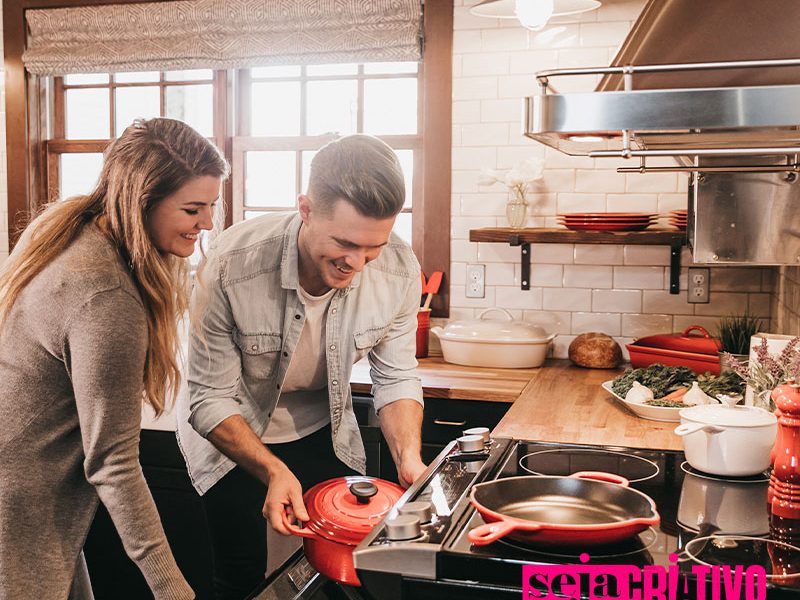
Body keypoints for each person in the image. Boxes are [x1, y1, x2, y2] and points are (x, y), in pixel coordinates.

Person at [176, 134, 426, 599]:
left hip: (323, 427)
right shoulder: (232, 264)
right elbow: (209, 397)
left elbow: (394, 375)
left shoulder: (398, 268)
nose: (358, 262)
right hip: (231, 430)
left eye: (373, 246)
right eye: (345, 243)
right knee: (242, 572)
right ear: (306, 209)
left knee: (341, 567)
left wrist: (408, 458)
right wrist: (272, 470)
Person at [0, 117, 229, 599]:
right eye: (193, 208)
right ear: (141, 199)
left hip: (34, 499)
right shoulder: (107, 296)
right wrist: (172, 590)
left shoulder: (68, 229)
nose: (207, 223)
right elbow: (114, 462)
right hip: (18, 511)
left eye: (212, 205)